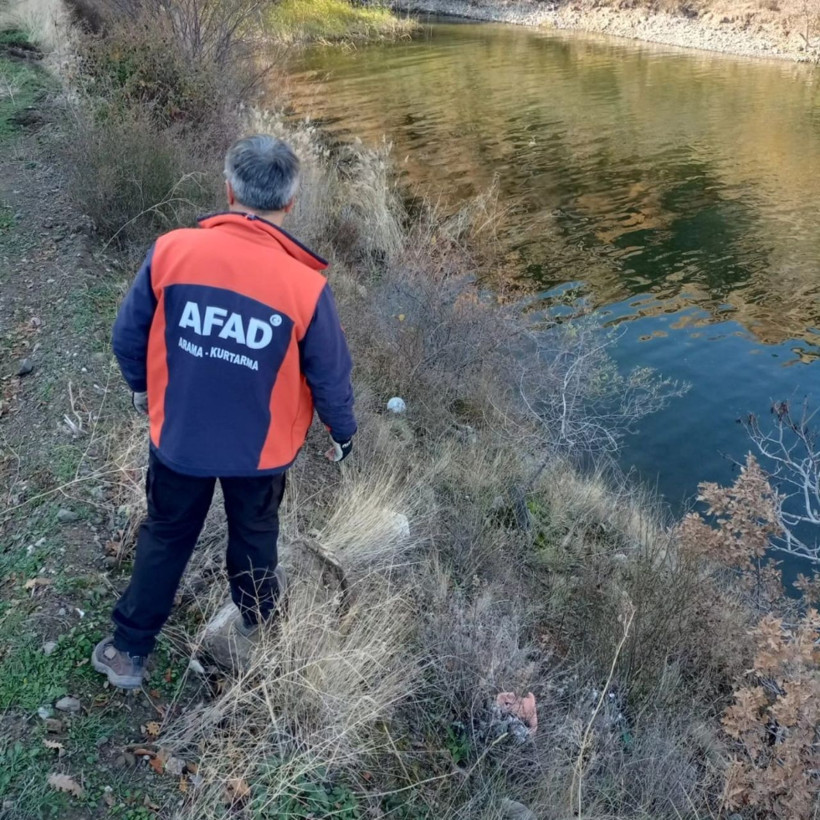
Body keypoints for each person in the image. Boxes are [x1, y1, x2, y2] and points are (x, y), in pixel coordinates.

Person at [92, 135, 357, 689]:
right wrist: (343, 432)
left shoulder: (172, 250)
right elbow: (330, 376)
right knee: (255, 538)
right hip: (260, 455)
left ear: (229, 190)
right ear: (289, 204)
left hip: (180, 437)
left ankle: (128, 650)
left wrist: (142, 390)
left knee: (166, 535)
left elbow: (127, 337)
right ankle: (264, 624)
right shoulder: (306, 288)